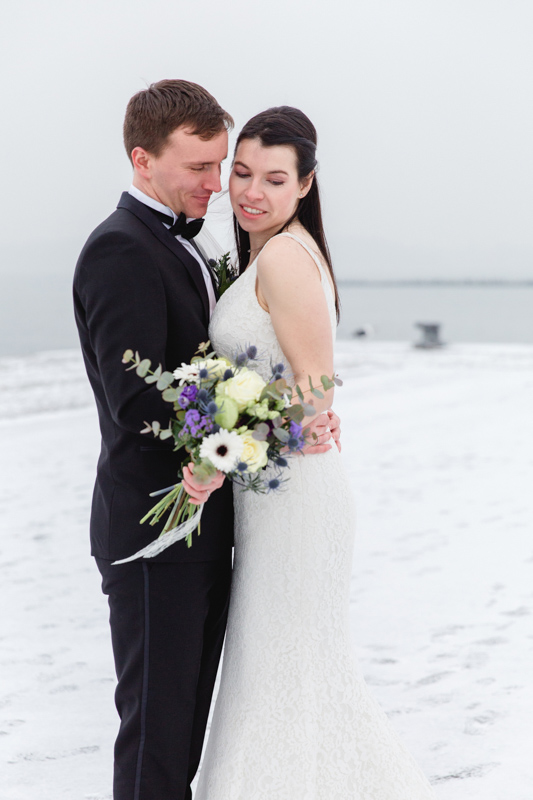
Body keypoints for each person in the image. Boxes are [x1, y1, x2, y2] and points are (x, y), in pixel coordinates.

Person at [73, 81, 337, 800]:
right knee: (156, 739)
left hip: (208, 522)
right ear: (141, 159)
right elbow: (136, 401)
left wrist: (277, 409)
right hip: (158, 527)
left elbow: (212, 365)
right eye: (199, 168)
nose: (215, 185)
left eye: (221, 165)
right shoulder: (119, 251)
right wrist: (251, 427)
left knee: (182, 737)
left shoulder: (197, 245)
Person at [190, 107, 438, 799]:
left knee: (282, 672)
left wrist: (224, 447)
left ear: (305, 184)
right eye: (240, 173)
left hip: (296, 500)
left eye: (273, 178)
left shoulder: (283, 255)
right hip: (279, 494)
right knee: (286, 673)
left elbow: (315, 395)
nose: (250, 192)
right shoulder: (275, 250)